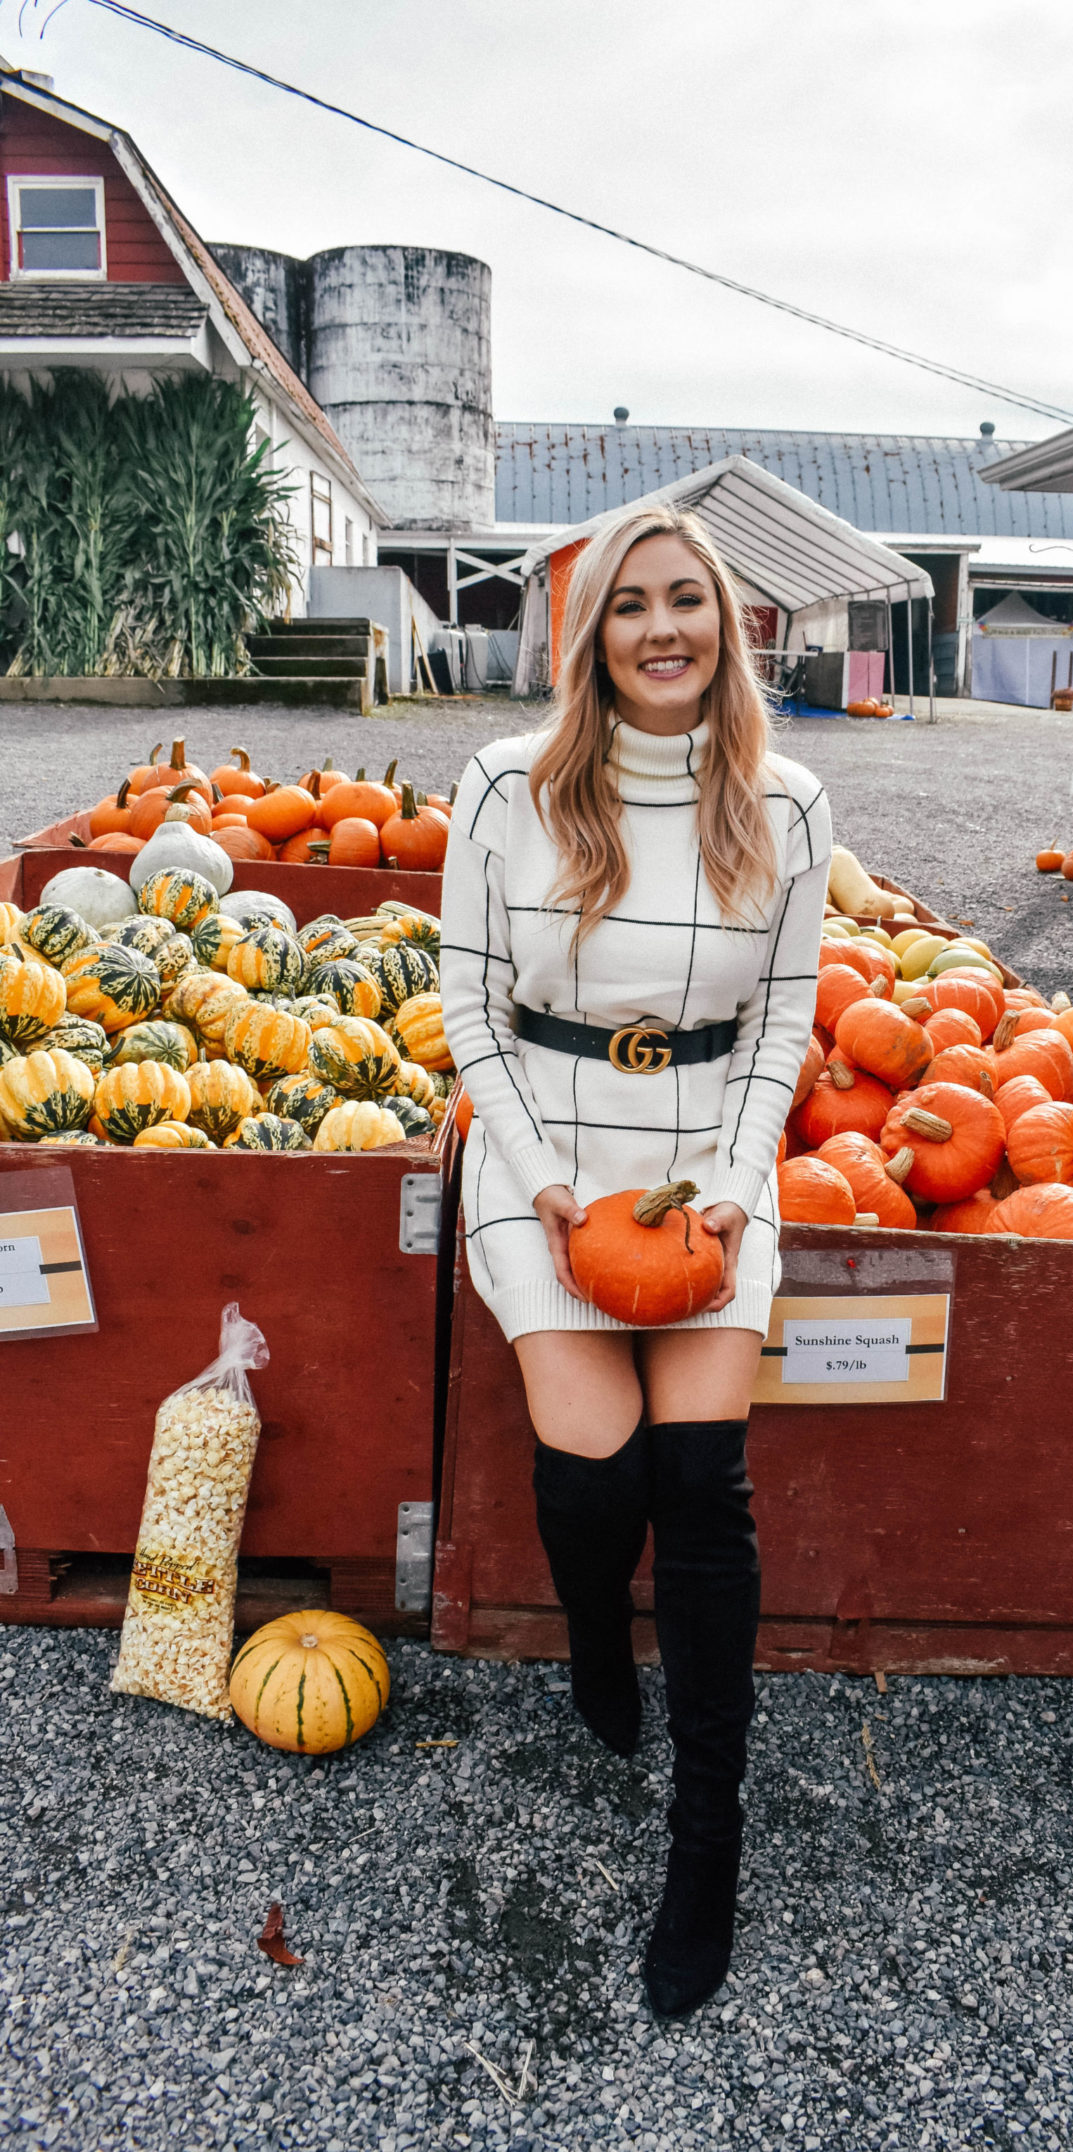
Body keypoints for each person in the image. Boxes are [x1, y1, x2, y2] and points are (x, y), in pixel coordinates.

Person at [439, 503, 831, 2019]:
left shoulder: (783, 803)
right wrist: (535, 1180)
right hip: (547, 1144)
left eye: (690, 603)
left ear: (727, 628)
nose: (663, 628)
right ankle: (600, 1636)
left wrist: (739, 1184)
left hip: (701, 1162)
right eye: (631, 606)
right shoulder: (507, 788)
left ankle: (706, 1842)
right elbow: (472, 1010)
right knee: (597, 1477)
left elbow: (786, 1024)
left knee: (702, 1485)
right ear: (591, 633)